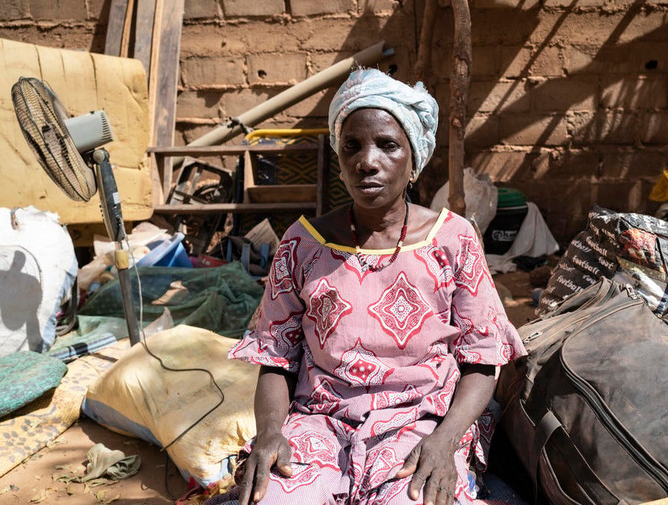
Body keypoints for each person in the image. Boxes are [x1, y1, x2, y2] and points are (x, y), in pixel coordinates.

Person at [210, 68, 526, 505]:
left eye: (388, 145)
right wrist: (269, 434)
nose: (367, 161)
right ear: (339, 161)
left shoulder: (452, 240)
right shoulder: (302, 243)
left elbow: (482, 359)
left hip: (420, 421)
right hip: (319, 420)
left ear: (413, 160)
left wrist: (446, 440)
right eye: (352, 147)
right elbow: (276, 359)